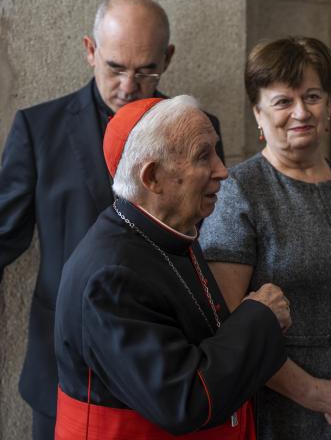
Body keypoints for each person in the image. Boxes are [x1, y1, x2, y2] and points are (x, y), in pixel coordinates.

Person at [0, 0, 223, 438]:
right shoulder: (38, 129)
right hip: (62, 375)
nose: (127, 86)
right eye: (115, 68)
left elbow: (208, 241)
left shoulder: (200, 130)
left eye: (145, 71)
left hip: (168, 370)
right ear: (90, 50)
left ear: (168, 58)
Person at [199, 36, 331, 439]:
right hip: (277, 408)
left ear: (329, 105)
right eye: (283, 101)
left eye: (312, 96)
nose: (301, 112)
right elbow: (227, 318)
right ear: (258, 113)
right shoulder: (240, 191)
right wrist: (311, 392)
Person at [54, 95, 288, 439]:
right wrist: (260, 316)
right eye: (203, 156)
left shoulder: (169, 233)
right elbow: (184, 399)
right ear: (153, 177)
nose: (222, 170)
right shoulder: (112, 276)